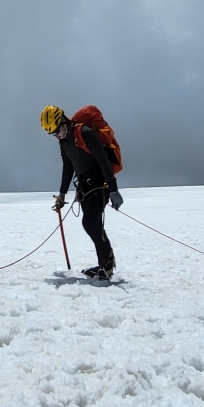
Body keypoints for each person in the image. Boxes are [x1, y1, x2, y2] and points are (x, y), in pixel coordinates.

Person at [42, 105, 123, 280]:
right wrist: (62, 195)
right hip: (84, 188)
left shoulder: (84, 132)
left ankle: (107, 264)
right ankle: (103, 264)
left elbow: (103, 160)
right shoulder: (64, 143)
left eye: (59, 130)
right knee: (93, 224)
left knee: (90, 223)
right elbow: (68, 167)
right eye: (54, 134)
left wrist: (113, 188)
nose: (58, 135)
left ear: (64, 121)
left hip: (99, 185)